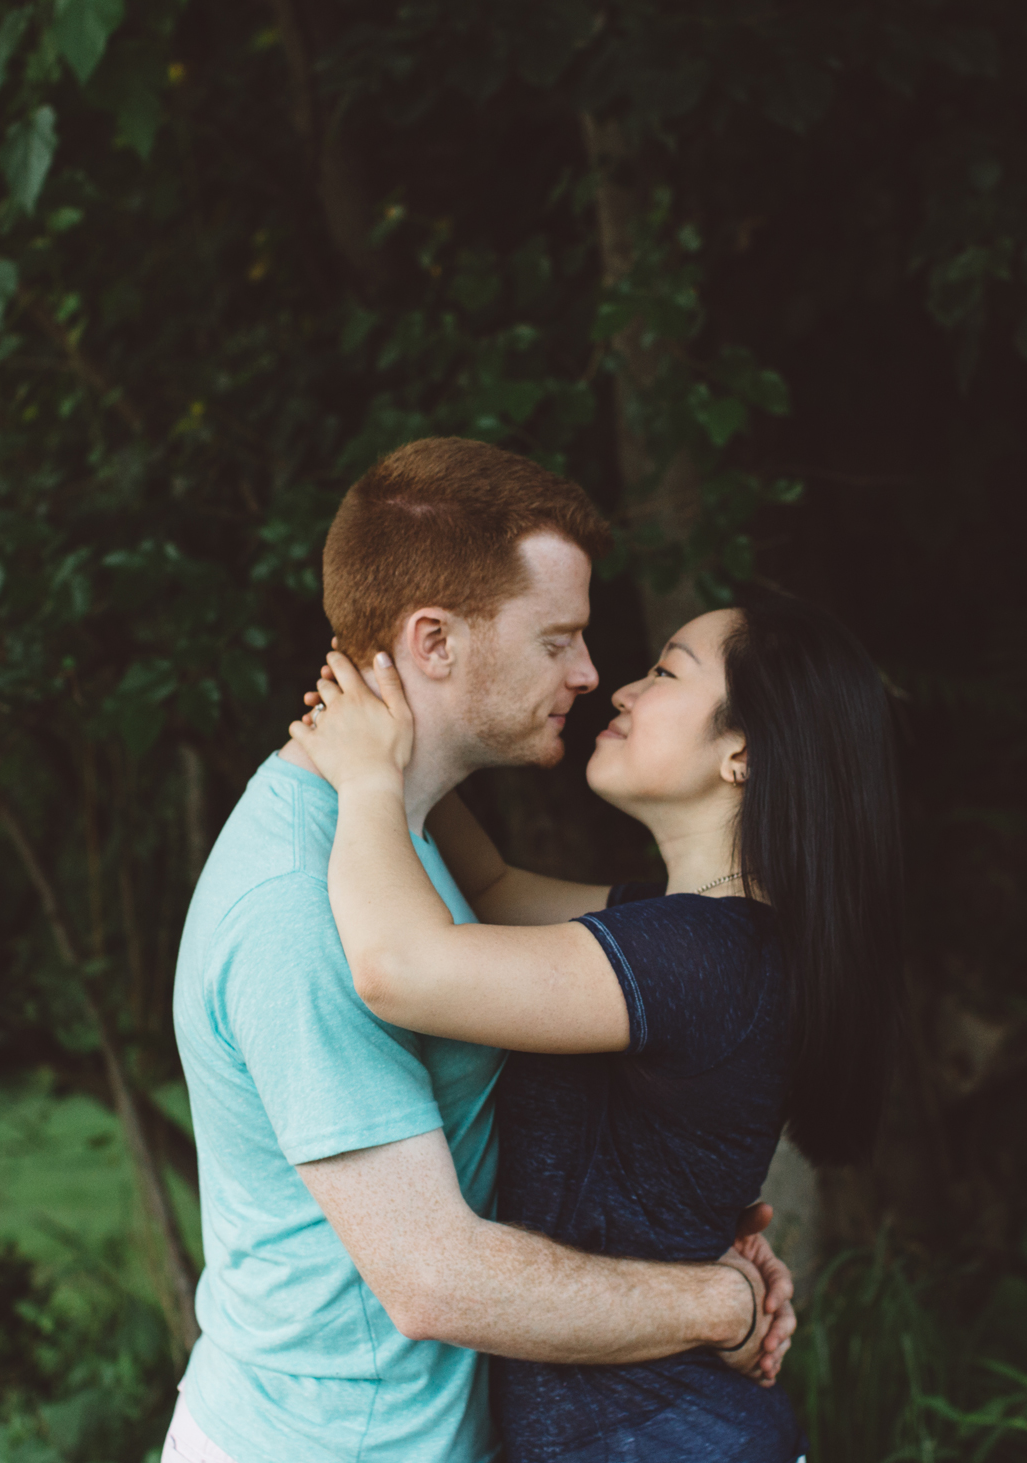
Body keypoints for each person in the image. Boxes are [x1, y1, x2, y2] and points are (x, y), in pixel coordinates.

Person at [163, 438, 794, 1463]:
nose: (591, 675)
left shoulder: (401, 850)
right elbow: (432, 1279)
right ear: (435, 642)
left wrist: (678, 1209)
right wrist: (715, 1297)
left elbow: (516, 919)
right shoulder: (303, 904)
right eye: (557, 639)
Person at [290, 592, 905, 1461]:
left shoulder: (697, 957)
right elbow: (496, 891)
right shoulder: (698, 934)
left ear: (742, 753)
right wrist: (403, 732)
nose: (621, 689)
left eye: (664, 672)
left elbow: (401, 967)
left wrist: (364, 779)